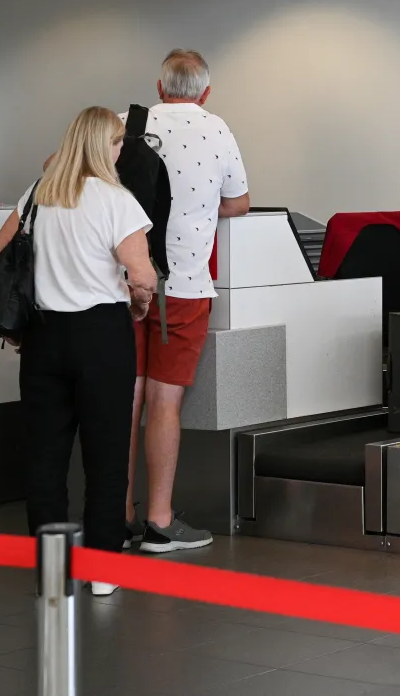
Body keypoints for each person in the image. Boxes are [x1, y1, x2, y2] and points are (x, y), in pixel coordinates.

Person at [0, 108, 156, 597]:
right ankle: (103, 567)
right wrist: (140, 304)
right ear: (106, 146)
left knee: (45, 456)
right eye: (119, 142)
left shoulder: (37, 195)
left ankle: (51, 566)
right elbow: (142, 275)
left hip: (42, 338)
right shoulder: (115, 200)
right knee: (105, 454)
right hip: (102, 335)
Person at [124, 50, 249, 552]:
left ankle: (117, 517)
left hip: (125, 284)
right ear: (205, 91)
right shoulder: (217, 130)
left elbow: (65, 170)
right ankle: (159, 520)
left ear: (159, 86)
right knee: (164, 403)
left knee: (123, 400)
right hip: (185, 288)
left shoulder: (125, 124)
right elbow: (239, 202)